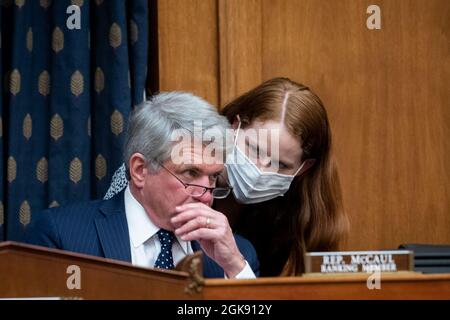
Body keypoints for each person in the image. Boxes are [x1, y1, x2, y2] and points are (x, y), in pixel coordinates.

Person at [105, 77, 349, 276]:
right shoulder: (172, 156)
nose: (260, 169)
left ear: (302, 168)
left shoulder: (293, 211)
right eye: (254, 149)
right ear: (235, 127)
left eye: (280, 164)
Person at [25, 92, 259, 279]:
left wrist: (235, 266)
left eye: (213, 178)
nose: (206, 197)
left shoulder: (239, 256)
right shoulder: (63, 238)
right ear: (140, 170)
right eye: (190, 173)